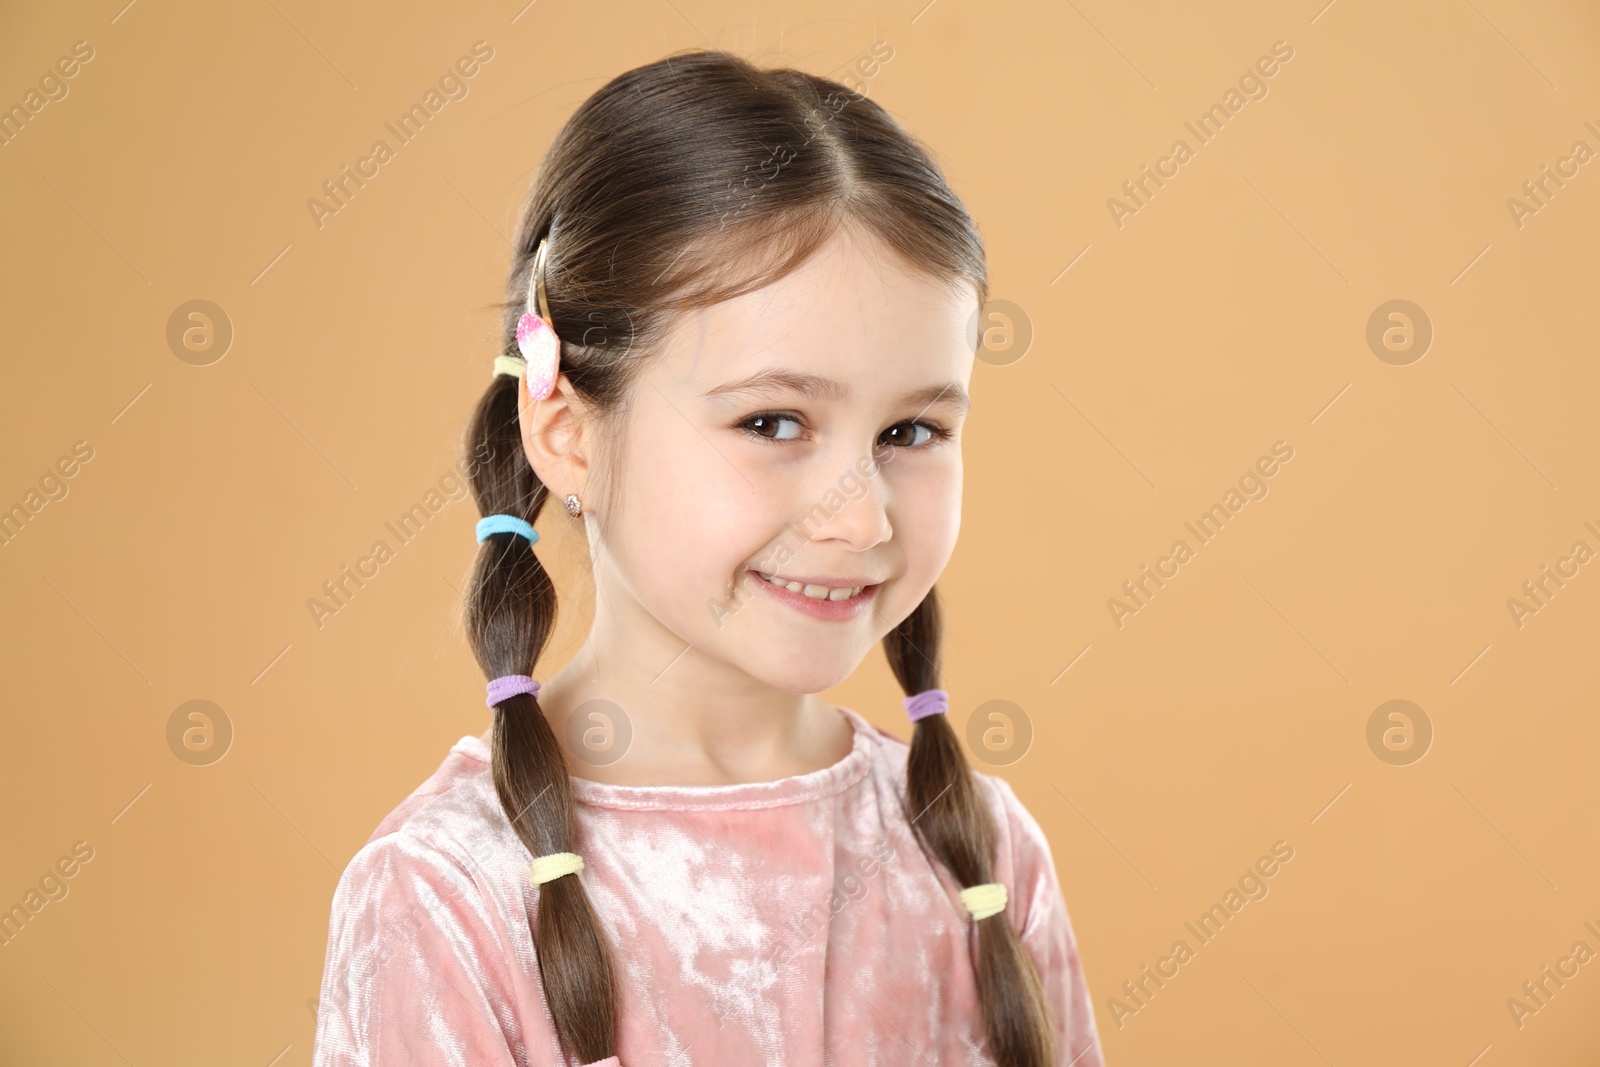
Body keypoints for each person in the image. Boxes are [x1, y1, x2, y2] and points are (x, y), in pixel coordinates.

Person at [312, 47, 1104, 1067]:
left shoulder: (979, 850)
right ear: (567, 435)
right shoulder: (445, 895)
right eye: (773, 421)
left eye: (910, 432)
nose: (858, 518)